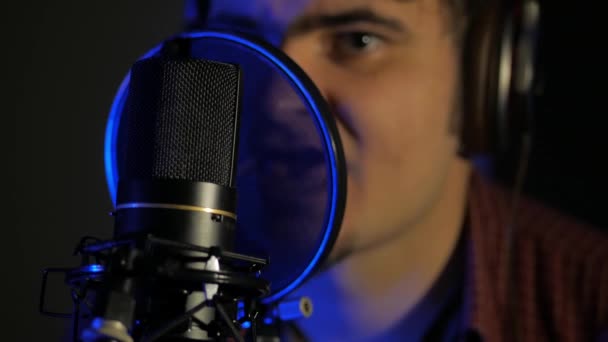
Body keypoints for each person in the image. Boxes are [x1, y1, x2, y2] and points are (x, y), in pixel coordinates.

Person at [201, 1, 608, 341]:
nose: (277, 101)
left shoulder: (591, 306)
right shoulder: (152, 295)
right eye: (246, 40)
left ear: (484, 80)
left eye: (357, 41)